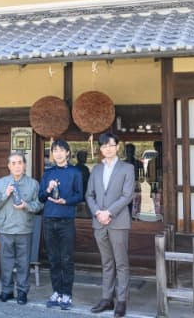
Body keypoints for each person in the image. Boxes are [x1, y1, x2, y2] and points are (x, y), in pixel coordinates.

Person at [85, 133, 135, 318]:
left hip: (118, 222)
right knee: (106, 263)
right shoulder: (96, 169)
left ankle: (121, 300)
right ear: (100, 149)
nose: (108, 148)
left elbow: (127, 195)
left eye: (111, 145)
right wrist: (98, 212)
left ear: (117, 147)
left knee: (121, 263)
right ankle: (107, 298)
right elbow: (89, 195)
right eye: (104, 146)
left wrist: (109, 212)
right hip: (99, 222)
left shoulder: (127, 168)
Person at [0, 152, 43, 305]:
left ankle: (22, 292)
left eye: (20, 162)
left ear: (25, 165)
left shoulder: (33, 184)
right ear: (8, 166)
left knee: (23, 262)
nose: (17, 166)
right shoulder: (1, 183)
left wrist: (26, 205)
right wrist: (5, 194)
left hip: (24, 229)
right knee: (6, 262)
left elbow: (39, 205)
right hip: (6, 228)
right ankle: (6, 290)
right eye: (13, 163)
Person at [39, 139, 84, 310]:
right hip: (49, 219)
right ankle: (56, 291)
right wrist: (48, 189)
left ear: (67, 152)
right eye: (54, 150)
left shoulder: (75, 172)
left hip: (66, 220)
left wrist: (66, 201)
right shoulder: (48, 173)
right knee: (53, 258)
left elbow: (80, 196)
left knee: (67, 258)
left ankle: (67, 294)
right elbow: (41, 197)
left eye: (61, 150)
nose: (57, 153)